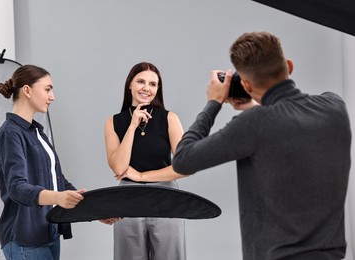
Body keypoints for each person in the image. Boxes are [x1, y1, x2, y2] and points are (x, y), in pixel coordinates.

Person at [172, 32, 351, 260]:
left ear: (246, 85)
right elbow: (290, 120)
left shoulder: (252, 125)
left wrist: (213, 103)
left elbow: (183, 159)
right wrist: (254, 104)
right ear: (289, 66)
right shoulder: (335, 107)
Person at [0, 64, 86, 260]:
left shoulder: (36, 133)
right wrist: (57, 198)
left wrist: (93, 210)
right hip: (24, 238)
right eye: (47, 89)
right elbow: (17, 187)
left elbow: (57, 181)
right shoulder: (10, 133)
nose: (52, 96)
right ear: (27, 90)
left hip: (48, 230)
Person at [104, 62, 186, 260]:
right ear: (129, 85)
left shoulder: (169, 118)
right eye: (141, 81)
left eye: (152, 84)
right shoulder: (113, 122)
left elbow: (185, 165)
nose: (146, 88)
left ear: (158, 89)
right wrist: (132, 126)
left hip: (165, 196)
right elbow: (118, 166)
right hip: (128, 199)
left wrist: (141, 176)